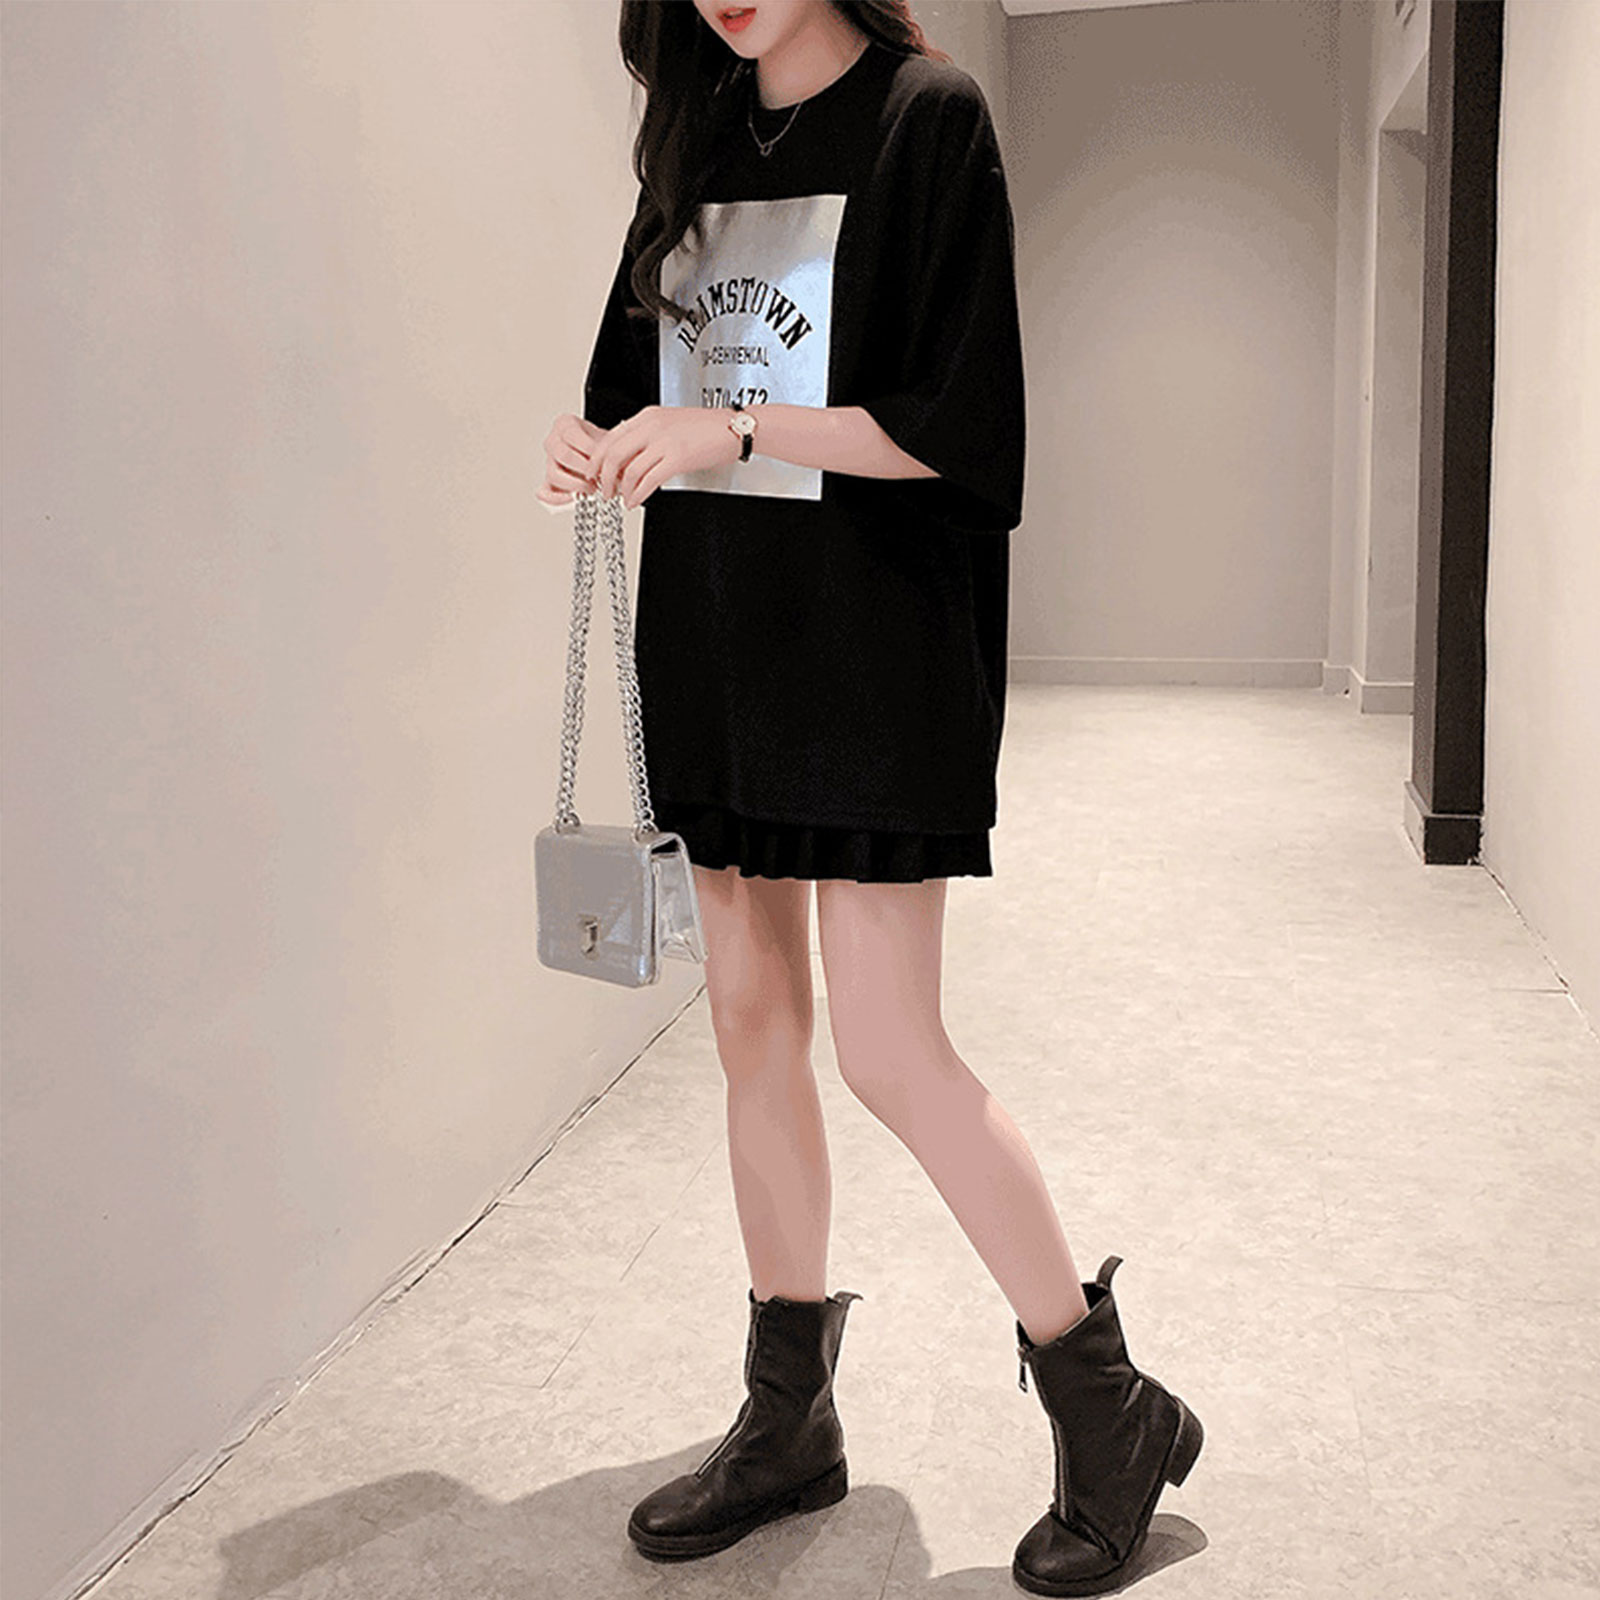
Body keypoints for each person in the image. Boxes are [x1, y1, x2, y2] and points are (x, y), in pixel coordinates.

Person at [538, 2, 1203, 1592]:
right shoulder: (700, 140)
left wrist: (732, 423)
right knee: (752, 1027)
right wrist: (598, 444)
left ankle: (1108, 1403)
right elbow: (636, 388)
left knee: (893, 1050)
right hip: (717, 646)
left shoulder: (927, 120)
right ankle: (789, 1420)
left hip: (875, 652)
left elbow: (960, 432)